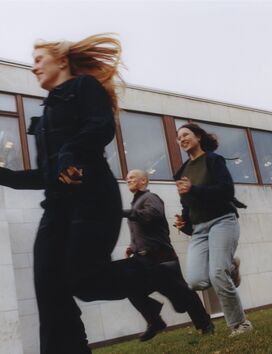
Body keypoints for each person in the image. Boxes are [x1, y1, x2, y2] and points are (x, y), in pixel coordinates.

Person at [0, 34, 173, 353]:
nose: (33, 66)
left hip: (92, 199)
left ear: (62, 61)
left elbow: (102, 126)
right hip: (57, 209)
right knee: (49, 288)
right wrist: (5, 176)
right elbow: (47, 174)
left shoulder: (84, 88)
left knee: (84, 280)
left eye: (39, 59)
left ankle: (156, 274)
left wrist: (69, 153)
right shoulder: (44, 118)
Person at [173, 122, 252, 337]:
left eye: (186, 135)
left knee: (217, 273)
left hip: (222, 221)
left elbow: (226, 191)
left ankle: (240, 324)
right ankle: (231, 267)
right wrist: (185, 223)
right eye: (179, 138)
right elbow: (187, 203)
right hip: (199, 228)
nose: (182, 139)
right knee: (196, 280)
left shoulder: (213, 160)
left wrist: (194, 188)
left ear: (198, 137)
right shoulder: (181, 171)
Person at [123, 169, 214, 341]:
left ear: (143, 181)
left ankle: (205, 324)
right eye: (127, 178)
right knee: (130, 287)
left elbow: (152, 215)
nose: (128, 179)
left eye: (132, 177)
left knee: (183, 296)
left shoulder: (151, 198)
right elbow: (144, 232)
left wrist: (125, 212)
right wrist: (132, 246)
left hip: (161, 259)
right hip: (143, 260)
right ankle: (155, 321)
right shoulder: (136, 203)